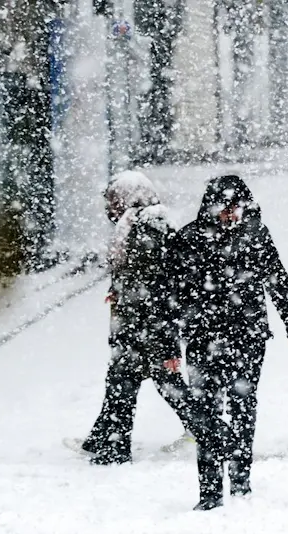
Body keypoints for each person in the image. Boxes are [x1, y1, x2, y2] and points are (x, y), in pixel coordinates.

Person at [172, 174, 288, 510]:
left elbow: (276, 277)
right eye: (223, 206)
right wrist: (169, 335)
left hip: (247, 336)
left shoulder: (255, 235)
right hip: (203, 338)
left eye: (235, 206)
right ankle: (209, 490)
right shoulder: (190, 238)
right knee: (205, 409)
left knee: (242, 405)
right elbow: (170, 291)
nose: (229, 213)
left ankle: (240, 482)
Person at [71, 171, 202, 465]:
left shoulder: (148, 225)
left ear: (132, 196)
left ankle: (114, 448)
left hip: (145, 326)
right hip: (138, 324)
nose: (110, 207)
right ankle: (103, 442)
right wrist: (118, 289)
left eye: (114, 199)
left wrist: (164, 338)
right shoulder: (138, 222)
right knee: (128, 382)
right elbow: (138, 275)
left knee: (130, 383)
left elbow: (158, 283)